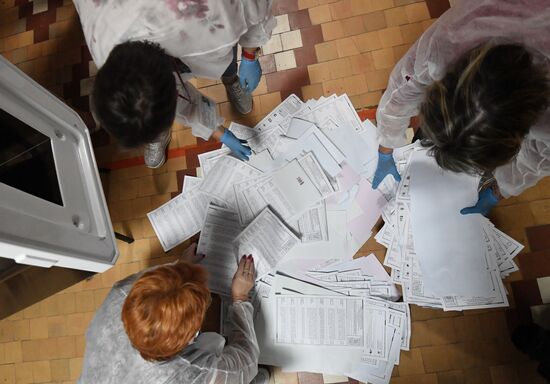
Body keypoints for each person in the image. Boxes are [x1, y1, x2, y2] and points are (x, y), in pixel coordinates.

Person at [371, 0, 550, 216]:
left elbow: (540, 157)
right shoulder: (451, 39)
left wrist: (502, 188)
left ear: (519, 136)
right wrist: (387, 144)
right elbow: (405, 86)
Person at [73, 1, 275, 168]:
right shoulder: (103, 46)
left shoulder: (216, 13)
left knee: (226, 62)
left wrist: (249, 54)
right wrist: (214, 129)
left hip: (206, 23)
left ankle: (231, 79)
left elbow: (258, 8)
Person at [78, 244, 266, 384]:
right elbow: (247, 364)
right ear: (190, 337)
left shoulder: (121, 292)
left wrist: (181, 267)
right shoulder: (192, 374)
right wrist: (240, 297)